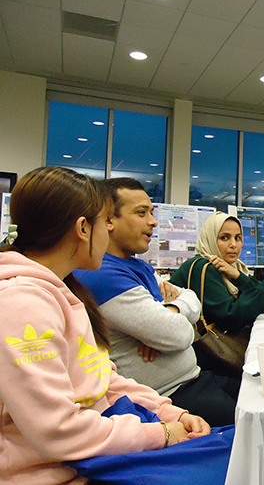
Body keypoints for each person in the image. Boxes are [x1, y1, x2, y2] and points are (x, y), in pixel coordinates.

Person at [0, 167, 209, 485]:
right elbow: (57, 431)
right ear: (83, 228)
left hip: (97, 456)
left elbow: (102, 379)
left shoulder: (64, 291)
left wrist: (169, 413)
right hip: (58, 473)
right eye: (105, 222)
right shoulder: (22, 304)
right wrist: (161, 433)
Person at [75, 178, 239, 427]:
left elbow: (191, 299)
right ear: (109, 220)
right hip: (165, 398)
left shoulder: (138, 266)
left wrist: (171, 309)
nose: (152, 222)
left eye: (151, 213)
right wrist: (171, 324)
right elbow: (178, 336)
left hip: (193, 379)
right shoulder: (101, 274)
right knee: (256, 426)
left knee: (262, 396)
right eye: (141, 213)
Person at [169, 212, 264, 371]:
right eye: (224, 238)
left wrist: (237, 276)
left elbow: (261, 303)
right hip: (202, 364)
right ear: (210, 238)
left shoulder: (230, 267)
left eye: (238, 238)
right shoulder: (203, 267)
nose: (233, 244)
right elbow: (231, 317)